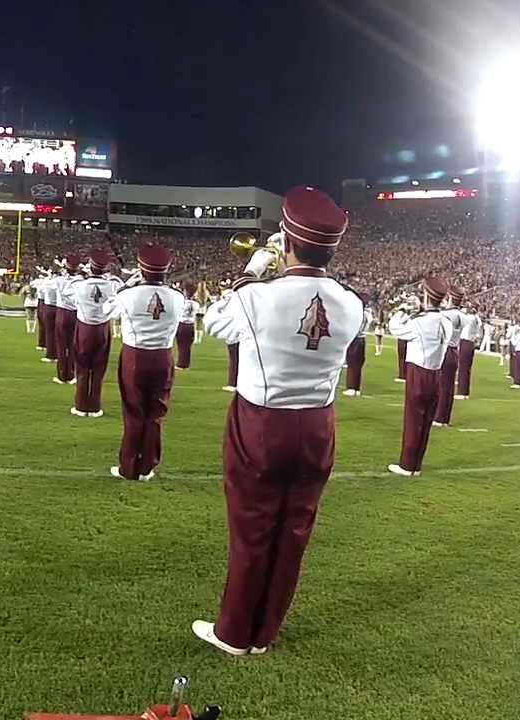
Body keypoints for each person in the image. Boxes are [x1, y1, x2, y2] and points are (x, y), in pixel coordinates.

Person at [193, 186, 364, 657]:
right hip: (318, 426)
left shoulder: (257, 298)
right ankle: (264, 632)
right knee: (294, 531)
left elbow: (214, 323)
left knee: (252, 525)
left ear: (286, 241)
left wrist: (253, 271)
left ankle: (234, 633)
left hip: (262, 423)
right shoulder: (353, 304)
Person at [104, 243, 183, 481]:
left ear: (141, 268)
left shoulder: (128, 295)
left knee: (133, 412)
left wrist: (126, 286)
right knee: (155, 412)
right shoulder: (178, 297)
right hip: (164, 356)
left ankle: (128, 467)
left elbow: (107, 311)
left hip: (135, 355)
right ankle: (147, 466)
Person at [388, 277, 453, 477]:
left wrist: (403, 309)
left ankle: (407, 465)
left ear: (426, 296)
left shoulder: (421, 322)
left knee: (413, 418)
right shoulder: (446, 321)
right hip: (435, 373)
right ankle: (416, 463)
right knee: (425, 422)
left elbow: (395, 328)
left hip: (419, 372)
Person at [70, 249, 120, 417]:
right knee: (99, 368)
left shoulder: (78, 284)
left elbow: (67, 295)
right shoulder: (113, 284)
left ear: (90, 267)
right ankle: (95, 407)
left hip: (84, 328)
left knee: (82, 368)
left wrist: (82, 275)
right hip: (103, 328)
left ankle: (81, 406)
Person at [432, 285, 463, 427]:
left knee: (442, 385)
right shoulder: (463, 316)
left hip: (445, 350)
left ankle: (438, 417)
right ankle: (444, 417)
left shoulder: (445, 315)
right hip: (455, 350)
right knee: (449, 387)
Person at [53, 257, 81, 384]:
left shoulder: (58, 280)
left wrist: (60, 268)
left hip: (62, 313)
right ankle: (72, 374)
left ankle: (62, 375)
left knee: (61, 346)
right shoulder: (81, 280)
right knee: (73, 345)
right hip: (76, 314)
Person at [454, 295, 482, 400]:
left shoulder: (469, 318)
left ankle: (462, 392)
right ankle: (465, 391)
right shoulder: (476, 318)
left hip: (465, 342)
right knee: (466, 368)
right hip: (471, 343)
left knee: (463, 367)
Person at [343, 294, 371, 396]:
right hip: (362, 339)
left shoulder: (359, 313)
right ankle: (356, 388)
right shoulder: (368, 314)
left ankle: (351, 387)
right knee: (358, 364)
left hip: (356, 338)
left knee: (352, 364)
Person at [38, 268, 60, 363]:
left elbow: (41, 290)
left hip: (49, 307)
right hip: (60, 308)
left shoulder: (47, 283)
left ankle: (51, 355)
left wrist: (48, 276)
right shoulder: (61, 283)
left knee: (50, 332)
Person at [175, 282, 197, 370]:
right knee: (187, 346)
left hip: (182, 324)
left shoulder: (182, 302)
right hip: (191, 325)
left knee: (181, 345)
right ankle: (186, 363)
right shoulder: (196, 303)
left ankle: (181, 364)